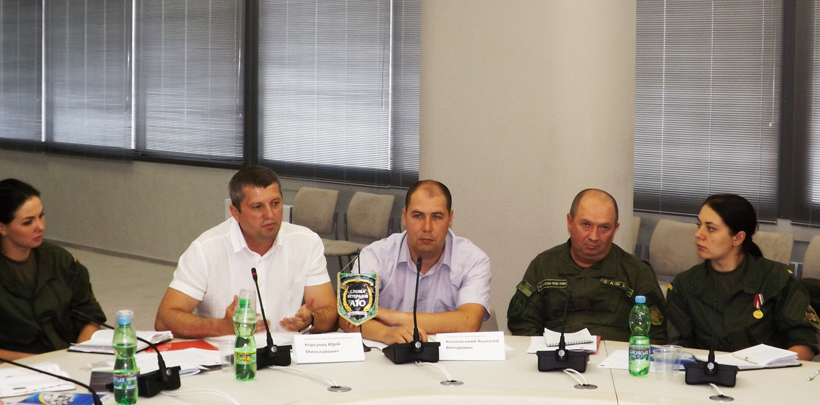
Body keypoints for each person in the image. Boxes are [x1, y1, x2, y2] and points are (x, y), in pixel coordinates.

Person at [155, 166, 337, 338]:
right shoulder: (205, 249)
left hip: (286, 353)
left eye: (275, 203)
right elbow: (164, 320)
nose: (270, 214)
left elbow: (330, 313)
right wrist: (220, 327)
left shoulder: (306, 242)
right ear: (235, 212)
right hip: (227, 353)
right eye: (257, 207)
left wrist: (312, 320)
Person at [666, 194, 819, 360]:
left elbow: (804, 344)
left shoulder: (777, 279)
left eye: (710, 228)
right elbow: (680, 350)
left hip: (770, 374)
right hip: (707, 373)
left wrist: (777, 370)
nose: (698, 234)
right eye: (699, 225)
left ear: (738, 238)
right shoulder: (684, 285)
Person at [340, 180, 491, 344]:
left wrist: (392, 317)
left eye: (437, 217)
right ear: (405, 217)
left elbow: (468, 323)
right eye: (418, 216)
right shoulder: (375, 255)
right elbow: (348, 317)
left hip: (447, 356)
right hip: (387, 353)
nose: (427, 227)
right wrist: (387, 333)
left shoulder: (474, 260)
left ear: (450, 219)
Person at [507, 188, 667, 342]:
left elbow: (657, 335)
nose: (594, 236)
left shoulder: (636, 272)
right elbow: (523, 325)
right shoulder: (544, 265)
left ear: (615, 230)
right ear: (570, 223)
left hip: (615, 357)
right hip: (556, 355)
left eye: (604, 228)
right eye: (586, 225)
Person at [0, 179, 105, 360]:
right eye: (28, 222)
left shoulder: (60, 260)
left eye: (41, 216)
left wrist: (79, 355)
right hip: (16, 368)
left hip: (66, 361)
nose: (40, 227)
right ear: (2, 227)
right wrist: (40, 363)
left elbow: (90, 317)